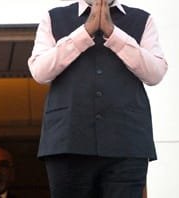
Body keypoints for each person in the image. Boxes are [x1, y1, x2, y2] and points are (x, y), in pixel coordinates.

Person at [27, 0, 168, 197]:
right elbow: (40, 71)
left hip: (126, 143)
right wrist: (85, 32)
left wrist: (113, 33)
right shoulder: (53, 18)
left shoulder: (142, 19)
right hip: (68, 142)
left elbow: (155, 73)